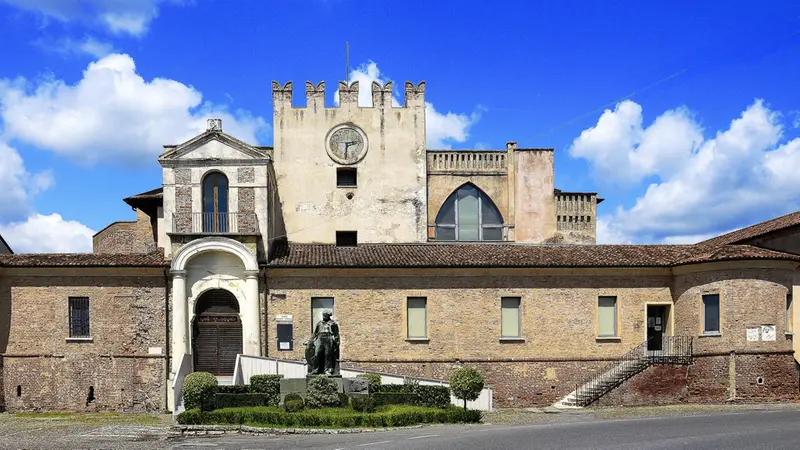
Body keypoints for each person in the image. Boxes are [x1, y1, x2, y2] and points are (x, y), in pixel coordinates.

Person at [310, 309, 340, 376]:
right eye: (323, 315)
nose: (323, 316)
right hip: (320, 338)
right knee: (317, 354)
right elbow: (315, 333)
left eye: (325, 315)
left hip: (328, 338)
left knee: (327, 355)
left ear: (328, 315)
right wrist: (311, 341)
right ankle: (315, 370)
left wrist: (337, 342)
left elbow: (336, 333)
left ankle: (328, 370)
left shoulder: (333, 323)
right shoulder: (319, 323)